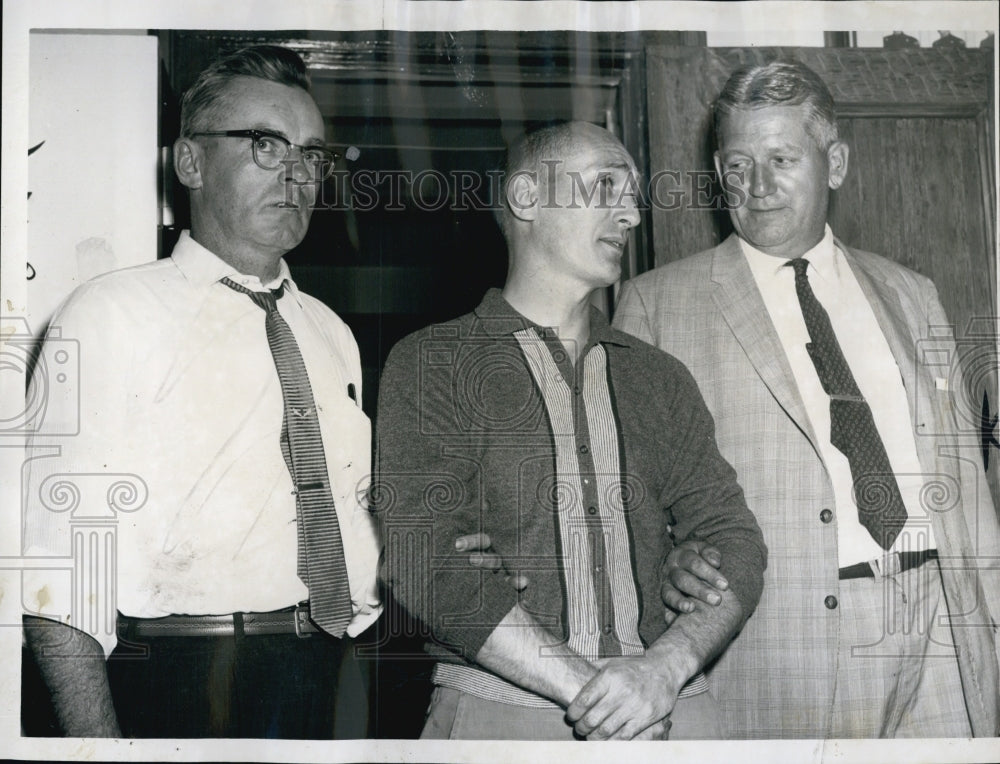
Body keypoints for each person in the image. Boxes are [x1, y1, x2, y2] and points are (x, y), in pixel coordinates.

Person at [613, 60, 1000, 738]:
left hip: (940, 632)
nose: (756, 187)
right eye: (737, 164)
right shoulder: (655, 305)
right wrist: (667, 555)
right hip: (779, 648)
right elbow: (622, 496)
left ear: (836, 163)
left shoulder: (913, 293)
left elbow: (965, 486)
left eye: (781, 158)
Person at [21, 45, 381, 738]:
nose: (297, 173)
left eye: (310, 153)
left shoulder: (330, 332)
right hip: (183, 676)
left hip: (335, 672)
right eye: (265, 145)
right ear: (190, 162)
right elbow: (60, 580)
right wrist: (98, 751)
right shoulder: (108, 315)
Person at [375, 121, 767, 741]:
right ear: (527, 198)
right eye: (606, 184)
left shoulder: (659, 376)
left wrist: (664, 669)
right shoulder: (431, 363)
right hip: (505, 717)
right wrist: (597, 694)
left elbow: (734, 537)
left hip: (671, 708)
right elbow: (422, 560)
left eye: (632, 194)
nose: (631, 214)